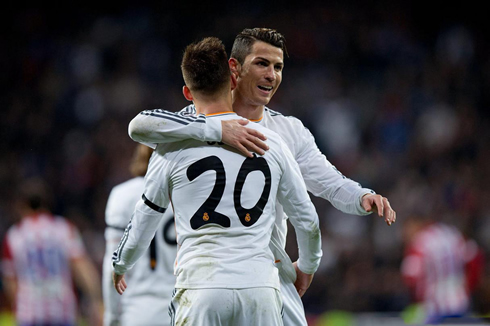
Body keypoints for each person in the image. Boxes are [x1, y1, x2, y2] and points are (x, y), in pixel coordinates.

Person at [127, 27, 396, 325]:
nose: (272, 75)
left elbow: (329, 182)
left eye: (278, 67)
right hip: (207, 272)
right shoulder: (196, 119)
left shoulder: (288, 131)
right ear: (234, 67)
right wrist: (218, 129)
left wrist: (361, 196)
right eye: (262, 63)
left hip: (269, 272)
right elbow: (142, 124)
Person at [112, 37, 322, 326]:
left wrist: (121, 264)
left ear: (187, 92)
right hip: (259, 289)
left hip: (200, 288)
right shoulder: (272, 142)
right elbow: (307, 219)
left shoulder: (170, 150)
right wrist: (308, 265)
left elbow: (144, 217)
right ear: (233, 82)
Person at [1, 177, 103, 326]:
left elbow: (10, 281)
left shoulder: (14, 235)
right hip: (61, 310)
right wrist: (96, 300)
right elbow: (82, 267)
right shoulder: (63, 229)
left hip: (30, 313)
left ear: (21, 205)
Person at [103, 144, 177, 326]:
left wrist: (111, 315)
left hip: (139, 309)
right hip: (184, 307)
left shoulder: (122, 195)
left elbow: (112, 263)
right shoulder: (187, 192)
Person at [401, 214, 484, 324]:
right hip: (460, 302)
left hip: (434, 307)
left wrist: (418, 300)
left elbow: (411, 276)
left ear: (417, 224)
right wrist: (468, 287)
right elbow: (474, 256)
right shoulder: (452, 234)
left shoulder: (420, 241)